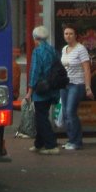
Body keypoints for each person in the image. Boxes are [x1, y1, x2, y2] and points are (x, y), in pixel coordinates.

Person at [23, 26, 60, 154]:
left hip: (41, 89)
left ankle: (51, 145)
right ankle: (39, 143)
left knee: (41, 117)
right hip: (52, 88)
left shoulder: (38, 51)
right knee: (41, 115)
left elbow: (35, 72)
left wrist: (29, 92)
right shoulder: (52, 50)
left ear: (35, 38)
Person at [59, 23, 93, 150]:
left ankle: (76, 141)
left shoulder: (81, 49)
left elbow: (87, 69)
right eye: (66, 34)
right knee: (66, 114)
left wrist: (88, 87)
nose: (68, 36)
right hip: (65, 85)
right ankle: (70, 139)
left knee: (70, 112)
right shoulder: (64, 49)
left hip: (77, 84)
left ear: (75, 35)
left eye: (71, 33)